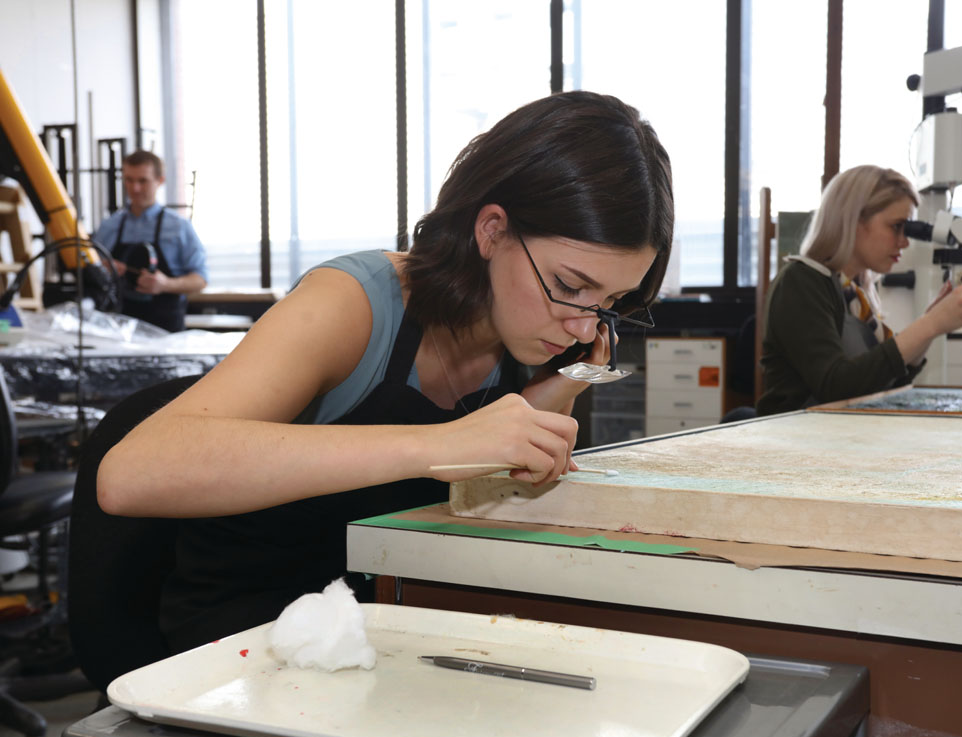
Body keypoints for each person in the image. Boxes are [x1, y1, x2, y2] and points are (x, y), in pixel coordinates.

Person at [95, 91, 674, 653]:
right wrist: (441, 444)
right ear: (492, 231)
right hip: (250, 638)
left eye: (612, 302)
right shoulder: (352, 303)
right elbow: (131, 474)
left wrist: (546, 406)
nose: (583, 327)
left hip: (389, 625)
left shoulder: (545, 345)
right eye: (570, 286)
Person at [756, 165, 962, 415]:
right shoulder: (802, 282)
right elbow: (835, 387)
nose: (905, 241)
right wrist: (931, 324)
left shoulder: (854, 293)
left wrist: (929, 331)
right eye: (896, 226)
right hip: (793, 443)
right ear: (853, 220)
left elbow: (878, 385)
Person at [91, 150, 208, 331]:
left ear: (160, 181)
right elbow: (92, 273)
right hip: (119, 330)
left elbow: (200, 280)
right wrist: (106, 269)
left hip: (166, 332)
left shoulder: (179, 227)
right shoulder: (109, 226)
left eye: (142, 181)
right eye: (129, 180)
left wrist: (166, 284)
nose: (135, 188)